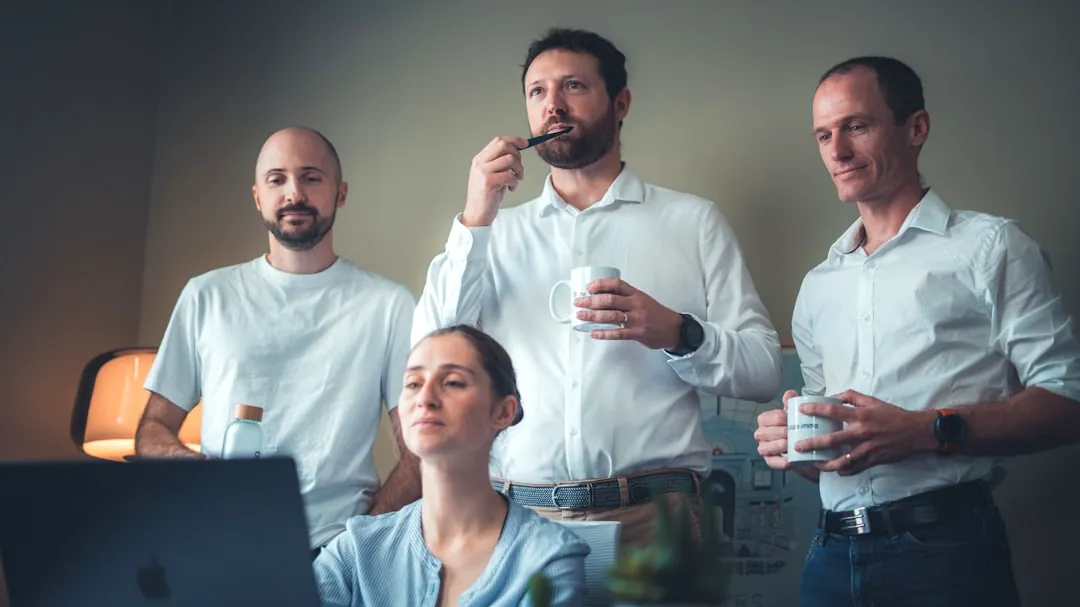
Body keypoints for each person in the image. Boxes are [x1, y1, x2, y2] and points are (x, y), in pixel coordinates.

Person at [412, 27, 782, 551]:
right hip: (518, 524)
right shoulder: (492, 232)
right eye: (538, 92)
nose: (553, 106)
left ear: (621, 102)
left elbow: (763, 370)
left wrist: (676, 332)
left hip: (659, 520)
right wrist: (475, 219)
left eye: (574, 87)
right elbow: (428, 352)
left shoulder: (693, 222)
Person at [753, 56, 1080, 606]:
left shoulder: (992, 248)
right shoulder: (818, 284)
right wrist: (799, 448)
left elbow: (1070, 402)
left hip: (945, 553)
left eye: (857, 126)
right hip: (828, 555)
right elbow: (833, 460)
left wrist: (925, 430)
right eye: (824, 135)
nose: (837, 152)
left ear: (916, 128)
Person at [135, 126, 421, 554]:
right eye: (277, 179)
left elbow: (420, 454)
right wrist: (194, 470)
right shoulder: (206, 295)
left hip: (336, 553)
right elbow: (151, 430)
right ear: (257, 197)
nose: (294, 193)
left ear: (340, 193)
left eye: (311, 177)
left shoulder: (389, 305)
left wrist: (358, 545)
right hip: (216, 545)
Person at [314, 325, 589, 607]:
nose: (425, 398)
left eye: (453, 382)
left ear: (503, 412)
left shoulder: (547, 558)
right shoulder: (355, 550)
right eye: (413, 383)